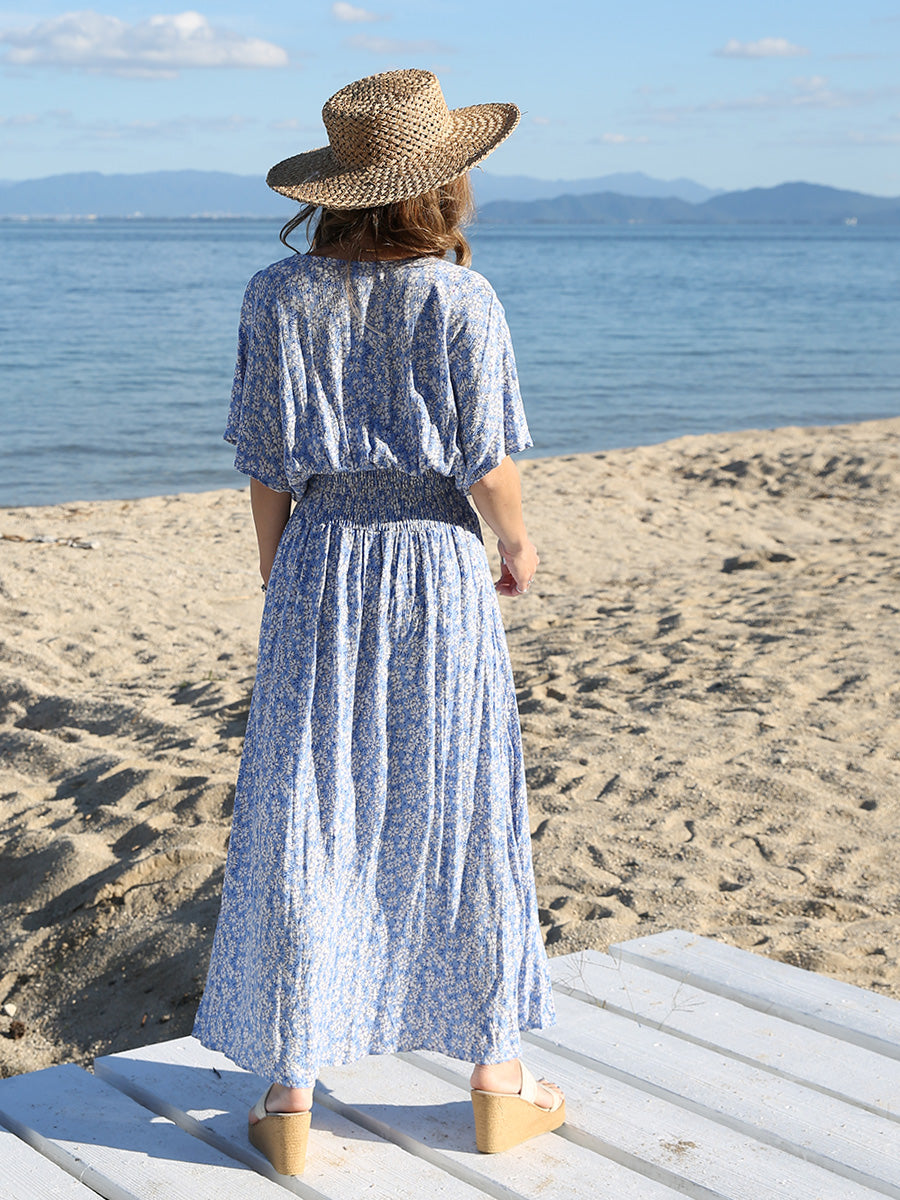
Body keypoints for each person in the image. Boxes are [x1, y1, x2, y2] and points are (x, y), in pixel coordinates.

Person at [192, 67, 564, 1177]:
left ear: (337, 187)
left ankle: (290, 1090)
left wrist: (278, 564)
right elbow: (484, 460)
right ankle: (496, 1078)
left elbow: (267, 462)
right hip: (432, 560)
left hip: (320, 557)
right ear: (441, 183)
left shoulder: (276, 294)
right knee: (455, 793)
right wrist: (516, 543)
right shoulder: (461, 299)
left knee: (310, 803)